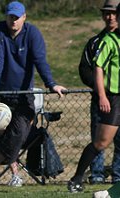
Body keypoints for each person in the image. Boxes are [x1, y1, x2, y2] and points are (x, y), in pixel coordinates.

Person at [0, 1, 66, 187]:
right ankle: (14, 174)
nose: (13, 21)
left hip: (23, 95)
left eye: (17, 17)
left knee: (20, 130)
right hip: (1, 94)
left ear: (24, 17)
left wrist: (51, 84)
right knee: (0, 134)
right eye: (10, 16)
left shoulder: (32, 33)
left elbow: (39, 60)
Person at [68, 2, 120, 193]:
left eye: (114, 14)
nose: (111, 17)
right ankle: (77, 178)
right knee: (101, 143)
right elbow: (95, 69)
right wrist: (103, 95)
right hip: (114, 98)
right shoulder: (106, 41)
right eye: (108, 14)